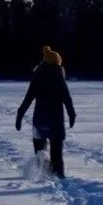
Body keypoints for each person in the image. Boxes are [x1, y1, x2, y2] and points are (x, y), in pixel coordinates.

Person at [15, 46, 78, 178]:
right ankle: (59, 175)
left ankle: (44, 173)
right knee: (57, 155)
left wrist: (20, 115)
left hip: (39, 120)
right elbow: (67, 97)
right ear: (57, 62)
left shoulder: (37, 76)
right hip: (56, 122)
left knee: (40, 152)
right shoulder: (58, 75)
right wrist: (72, 114)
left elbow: (28, 98)